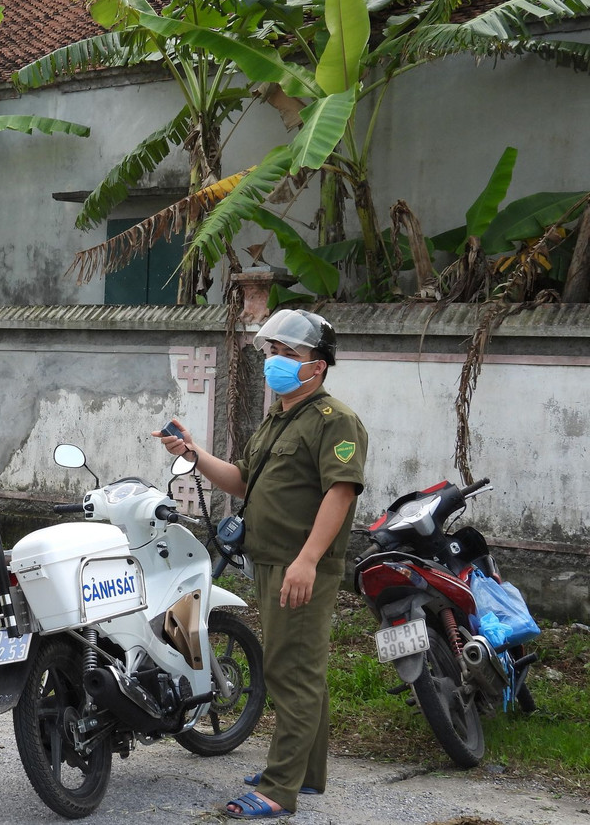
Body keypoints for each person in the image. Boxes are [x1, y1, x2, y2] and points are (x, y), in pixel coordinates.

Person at [154, 309, 367, 820]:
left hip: (301, 565)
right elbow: (242, 480)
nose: (275, 361)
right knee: (300, 666)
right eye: (273, 352)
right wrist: (193, 452)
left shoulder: (334, 420)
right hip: (271, 561)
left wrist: (308, 560)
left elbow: (341, 492)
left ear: (317, 365)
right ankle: (306, 772)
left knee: (291, 671)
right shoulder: (279, 418)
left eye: (289, 354)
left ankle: (278, 788)